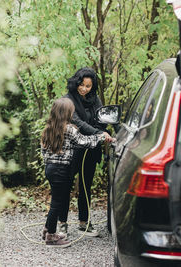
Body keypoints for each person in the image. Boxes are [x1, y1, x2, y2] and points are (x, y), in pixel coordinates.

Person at [41, 97, 111, 248]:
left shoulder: (48, 129)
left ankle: (47, 229)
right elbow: (84, 142)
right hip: (62, 170)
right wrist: (100, 137)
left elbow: (43, 152)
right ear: (66, 113)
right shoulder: (69, 129)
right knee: (56, 204)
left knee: (55, 199)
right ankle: (51, 237)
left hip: (50, 169)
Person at [63, 67, 113, 237]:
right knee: (66, 185)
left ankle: (84, 223)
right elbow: (77, 122)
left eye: (88, 86)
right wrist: (98, 133)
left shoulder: (95, 99)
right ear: (76, 82)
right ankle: (62, 224)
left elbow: (101, 120)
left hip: (91, 150)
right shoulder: (68, 100)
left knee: (85, 186)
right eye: (82, 85)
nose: (84, 89)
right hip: (72, 150)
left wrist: (100, 131)